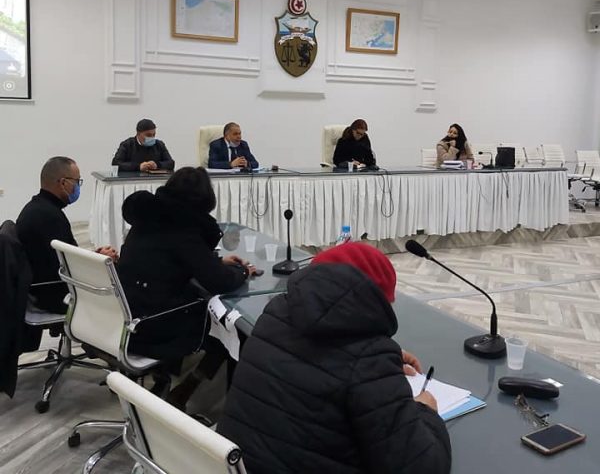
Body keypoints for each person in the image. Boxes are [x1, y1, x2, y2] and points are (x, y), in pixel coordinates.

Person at [219, 242, 451, 474]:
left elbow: (316, 362)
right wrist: (425, 411)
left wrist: (382, 365)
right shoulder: (368, 358)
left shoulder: (274, 314)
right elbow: (423, 467)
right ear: (374, 299)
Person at [116, 166, 256, 405]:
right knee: (230, 327)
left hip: (129, 315)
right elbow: (219, 281)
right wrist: (242, 271)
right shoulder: (183, 229)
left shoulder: (147, 217)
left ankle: (175, 378)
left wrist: (214, 261)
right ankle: (191, 389)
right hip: (155, 325)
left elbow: (167, 259)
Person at [16, 157, 118, 314]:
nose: (78, 187)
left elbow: (65, 257)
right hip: (54, 295)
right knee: (120, 291)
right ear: (63, 183)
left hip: (42, 288)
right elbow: (67, 268)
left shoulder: (38, 208)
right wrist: (99, 262)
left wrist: (95, 255)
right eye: (77, 182)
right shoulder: (49, 217)